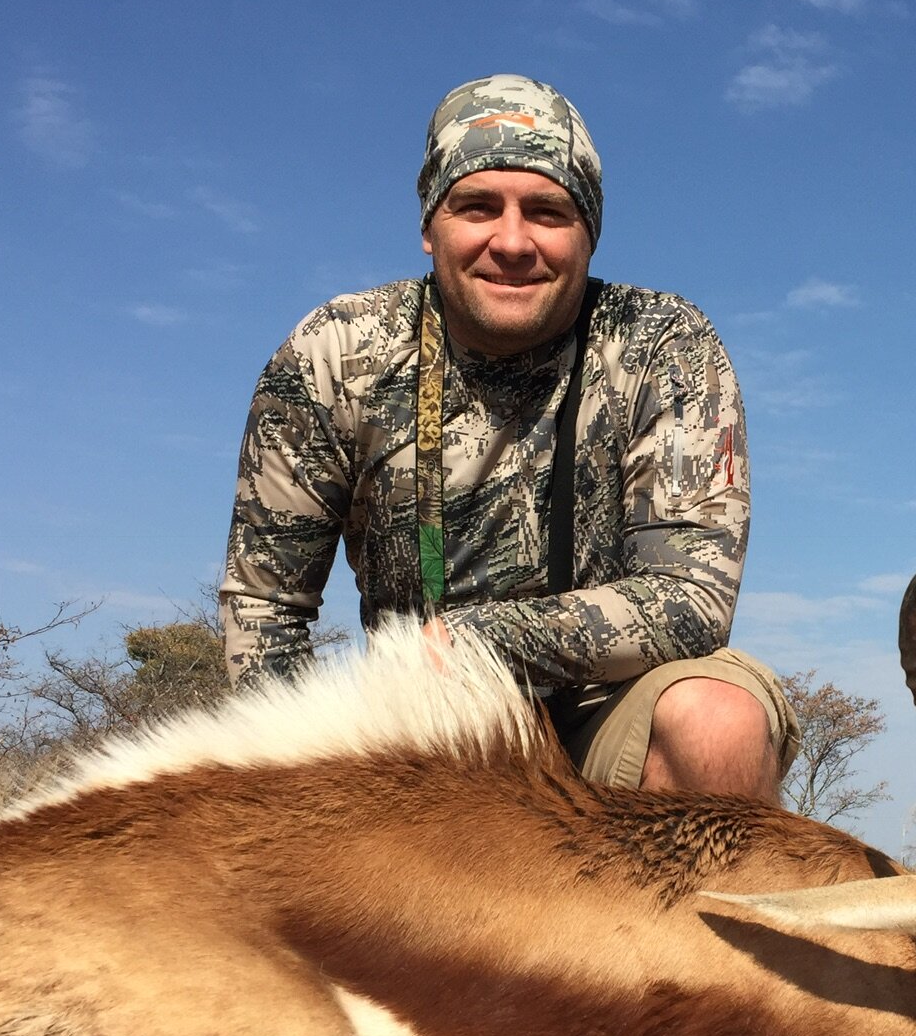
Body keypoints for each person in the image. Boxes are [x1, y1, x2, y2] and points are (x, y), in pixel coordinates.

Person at [219, 74, 796, 799]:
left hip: (602, 708)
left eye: (549, 211)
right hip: (420, 729)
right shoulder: (335, 351)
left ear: (590, 230)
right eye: (477, 206)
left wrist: (475, 643)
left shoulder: (663, 343)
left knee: (717, 721)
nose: (513, 241)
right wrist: (304, 786)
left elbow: (689, 603)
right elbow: (265, 607)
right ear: (430, 225)